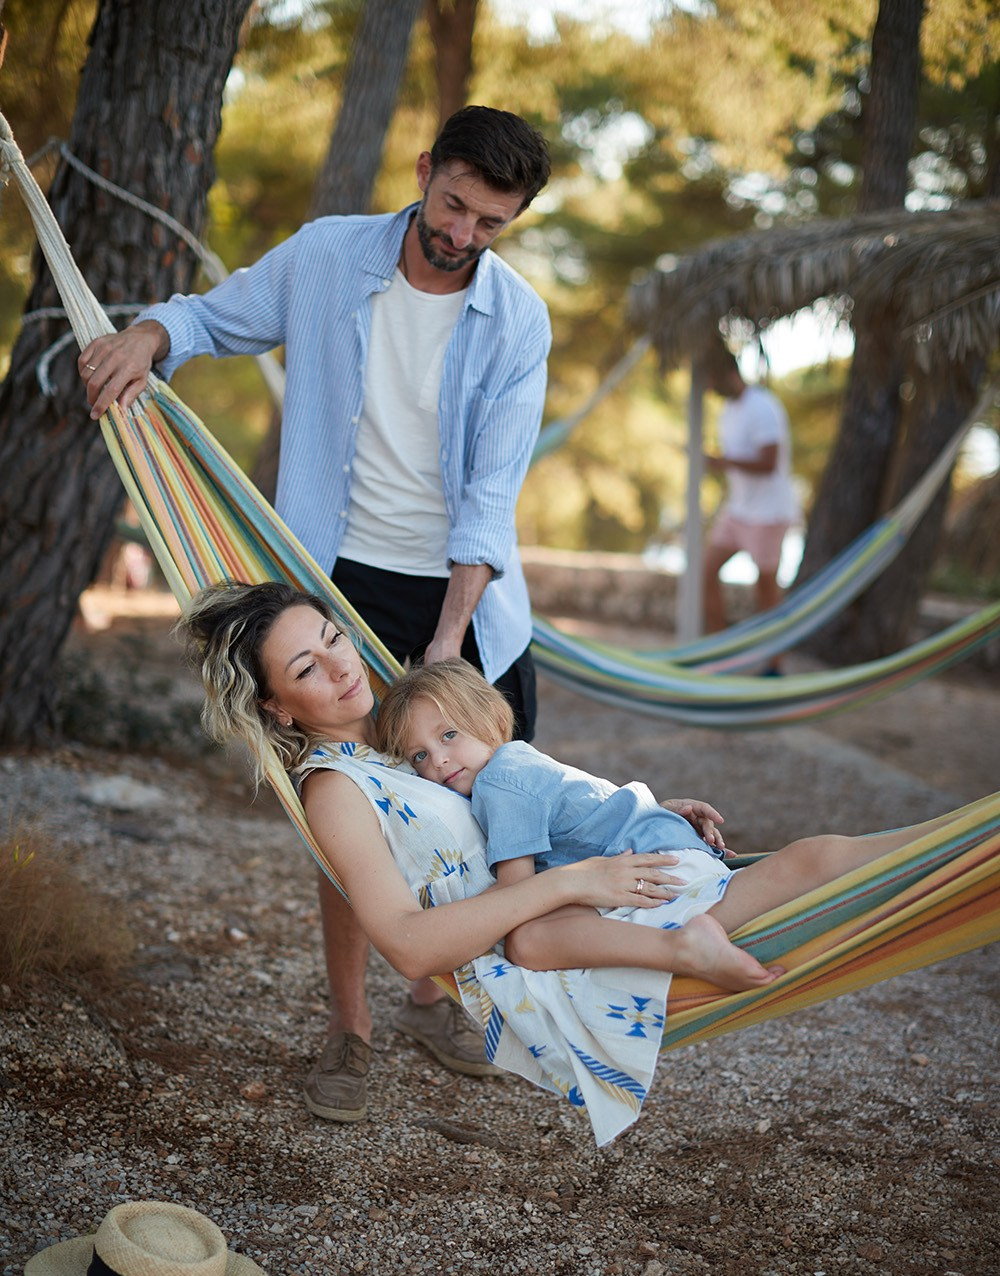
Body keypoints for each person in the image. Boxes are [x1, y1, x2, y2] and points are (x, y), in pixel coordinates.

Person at [79, 106, 553, 1118]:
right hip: (333, 582)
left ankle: (430, 993)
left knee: (467, 806)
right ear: (424, 171)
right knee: (343, 808)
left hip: (459, 601)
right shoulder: (326, 257)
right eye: (454, 204)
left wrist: (446, 651)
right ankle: (351, 1028)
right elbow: (213, 317)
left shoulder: (519, 322)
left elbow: (489, 502)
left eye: (489, 223)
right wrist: (152, 333)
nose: (461, 235)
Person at [182, 581, 785, 1145]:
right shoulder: (337, 789)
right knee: (796, 876)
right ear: (277, 708)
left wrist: (631, 816)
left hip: (590, 883)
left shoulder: (402, 722)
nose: (341, 666)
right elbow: (409, 947)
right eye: (307, 668)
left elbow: (520, 790)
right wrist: (575, 882)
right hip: (554, 934)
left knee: (811, 865)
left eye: (333, 638)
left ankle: (883, 879)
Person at [375, 656, 935, 970]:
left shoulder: (500, 782)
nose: (439, 759)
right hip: (668, 855)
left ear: (491, 720)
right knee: (803, 863)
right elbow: (590, 812)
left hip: (652, 874)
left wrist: (448, 927)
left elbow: (516, 896)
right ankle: (937, 843)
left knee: (529, 942)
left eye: (449, 734)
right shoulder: (519, 765)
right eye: (420, 755)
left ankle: (684, 946)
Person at [701, 342, 800, 667]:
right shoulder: (729, 410)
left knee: (766, 591)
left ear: (730, 374)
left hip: (768, 514)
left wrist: (723, 463)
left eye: (714, 380)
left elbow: (769, 462)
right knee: (705, 571)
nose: (710, 388)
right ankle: (719, 653)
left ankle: (775, 665)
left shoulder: (762, 407)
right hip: (738, 510)